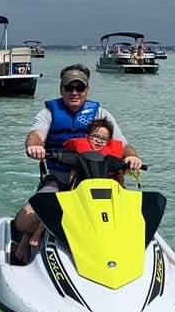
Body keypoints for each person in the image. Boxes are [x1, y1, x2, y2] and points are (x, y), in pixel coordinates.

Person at [12, 64, 142, 263]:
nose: (74, 92)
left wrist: (132, 157)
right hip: (60, 179)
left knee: (132, 216)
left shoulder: (101, 115)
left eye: (79, 88)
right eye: (69, 88)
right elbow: (36, 135)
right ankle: (31, 234)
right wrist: (34, 147)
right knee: (24, 221)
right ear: (61, 89)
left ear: (87, 90)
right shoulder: (48, 113)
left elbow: (123, 145)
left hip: (99, 181)